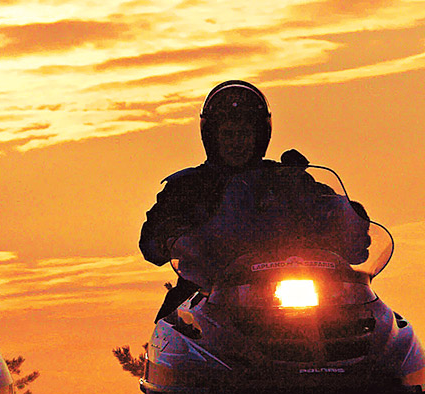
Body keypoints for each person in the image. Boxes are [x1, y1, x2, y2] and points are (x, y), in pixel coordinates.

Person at [139, 80, 371, 320]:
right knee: (174, 329)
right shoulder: (188, 186)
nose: (236, 142)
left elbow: (346, 225)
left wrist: (346, 217)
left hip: (292, 291)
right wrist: (171, 236)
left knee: (373, 322)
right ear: (212, 137)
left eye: (244, 134)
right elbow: (150, 241)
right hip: (210, 298)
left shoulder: (286, 180)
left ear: (259, 136)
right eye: (228, 134)